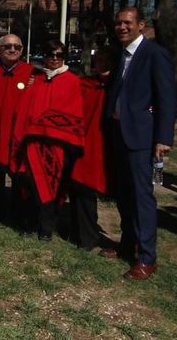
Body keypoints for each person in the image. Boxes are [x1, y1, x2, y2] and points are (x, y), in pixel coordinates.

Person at [101, 6, 176, 281]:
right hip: (119, 133)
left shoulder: (154, 55)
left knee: (142, 197)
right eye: (118, 22)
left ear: (141, 25)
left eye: (127, 23)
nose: (122, 27)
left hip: (142, 138)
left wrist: (163, 139)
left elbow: (167, 97)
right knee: (123, 193)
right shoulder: (122, 54)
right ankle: (126, 243)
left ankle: (147, 257)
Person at [11, 40, 84, 241]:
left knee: (51, 187)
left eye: (59, 55)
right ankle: (28, 224)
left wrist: (48, 128)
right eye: (51, 54)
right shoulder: (36, 79)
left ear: (64, 58)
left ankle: (46, 229)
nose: (54, 58)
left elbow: (72, 111)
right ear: (45, 56)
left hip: (56, 146)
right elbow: (25, 109)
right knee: (29, 184)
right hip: (32, 145)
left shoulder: (72, 81)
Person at [0, 33, 35, 223]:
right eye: (7, 46)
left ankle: (19, 214)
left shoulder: (32, 74)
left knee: (19, 175)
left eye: (17, 47)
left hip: (18, 133)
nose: (12, 50)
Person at [68, 48, 113, 251]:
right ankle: (82, 233)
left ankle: (89, 236)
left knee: (88, 189)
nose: (101, 63)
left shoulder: (118, 86)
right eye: (99, 59)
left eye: (106, 60)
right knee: (79, 187)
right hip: (83, 142)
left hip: (106, 145)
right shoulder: (85, 84)